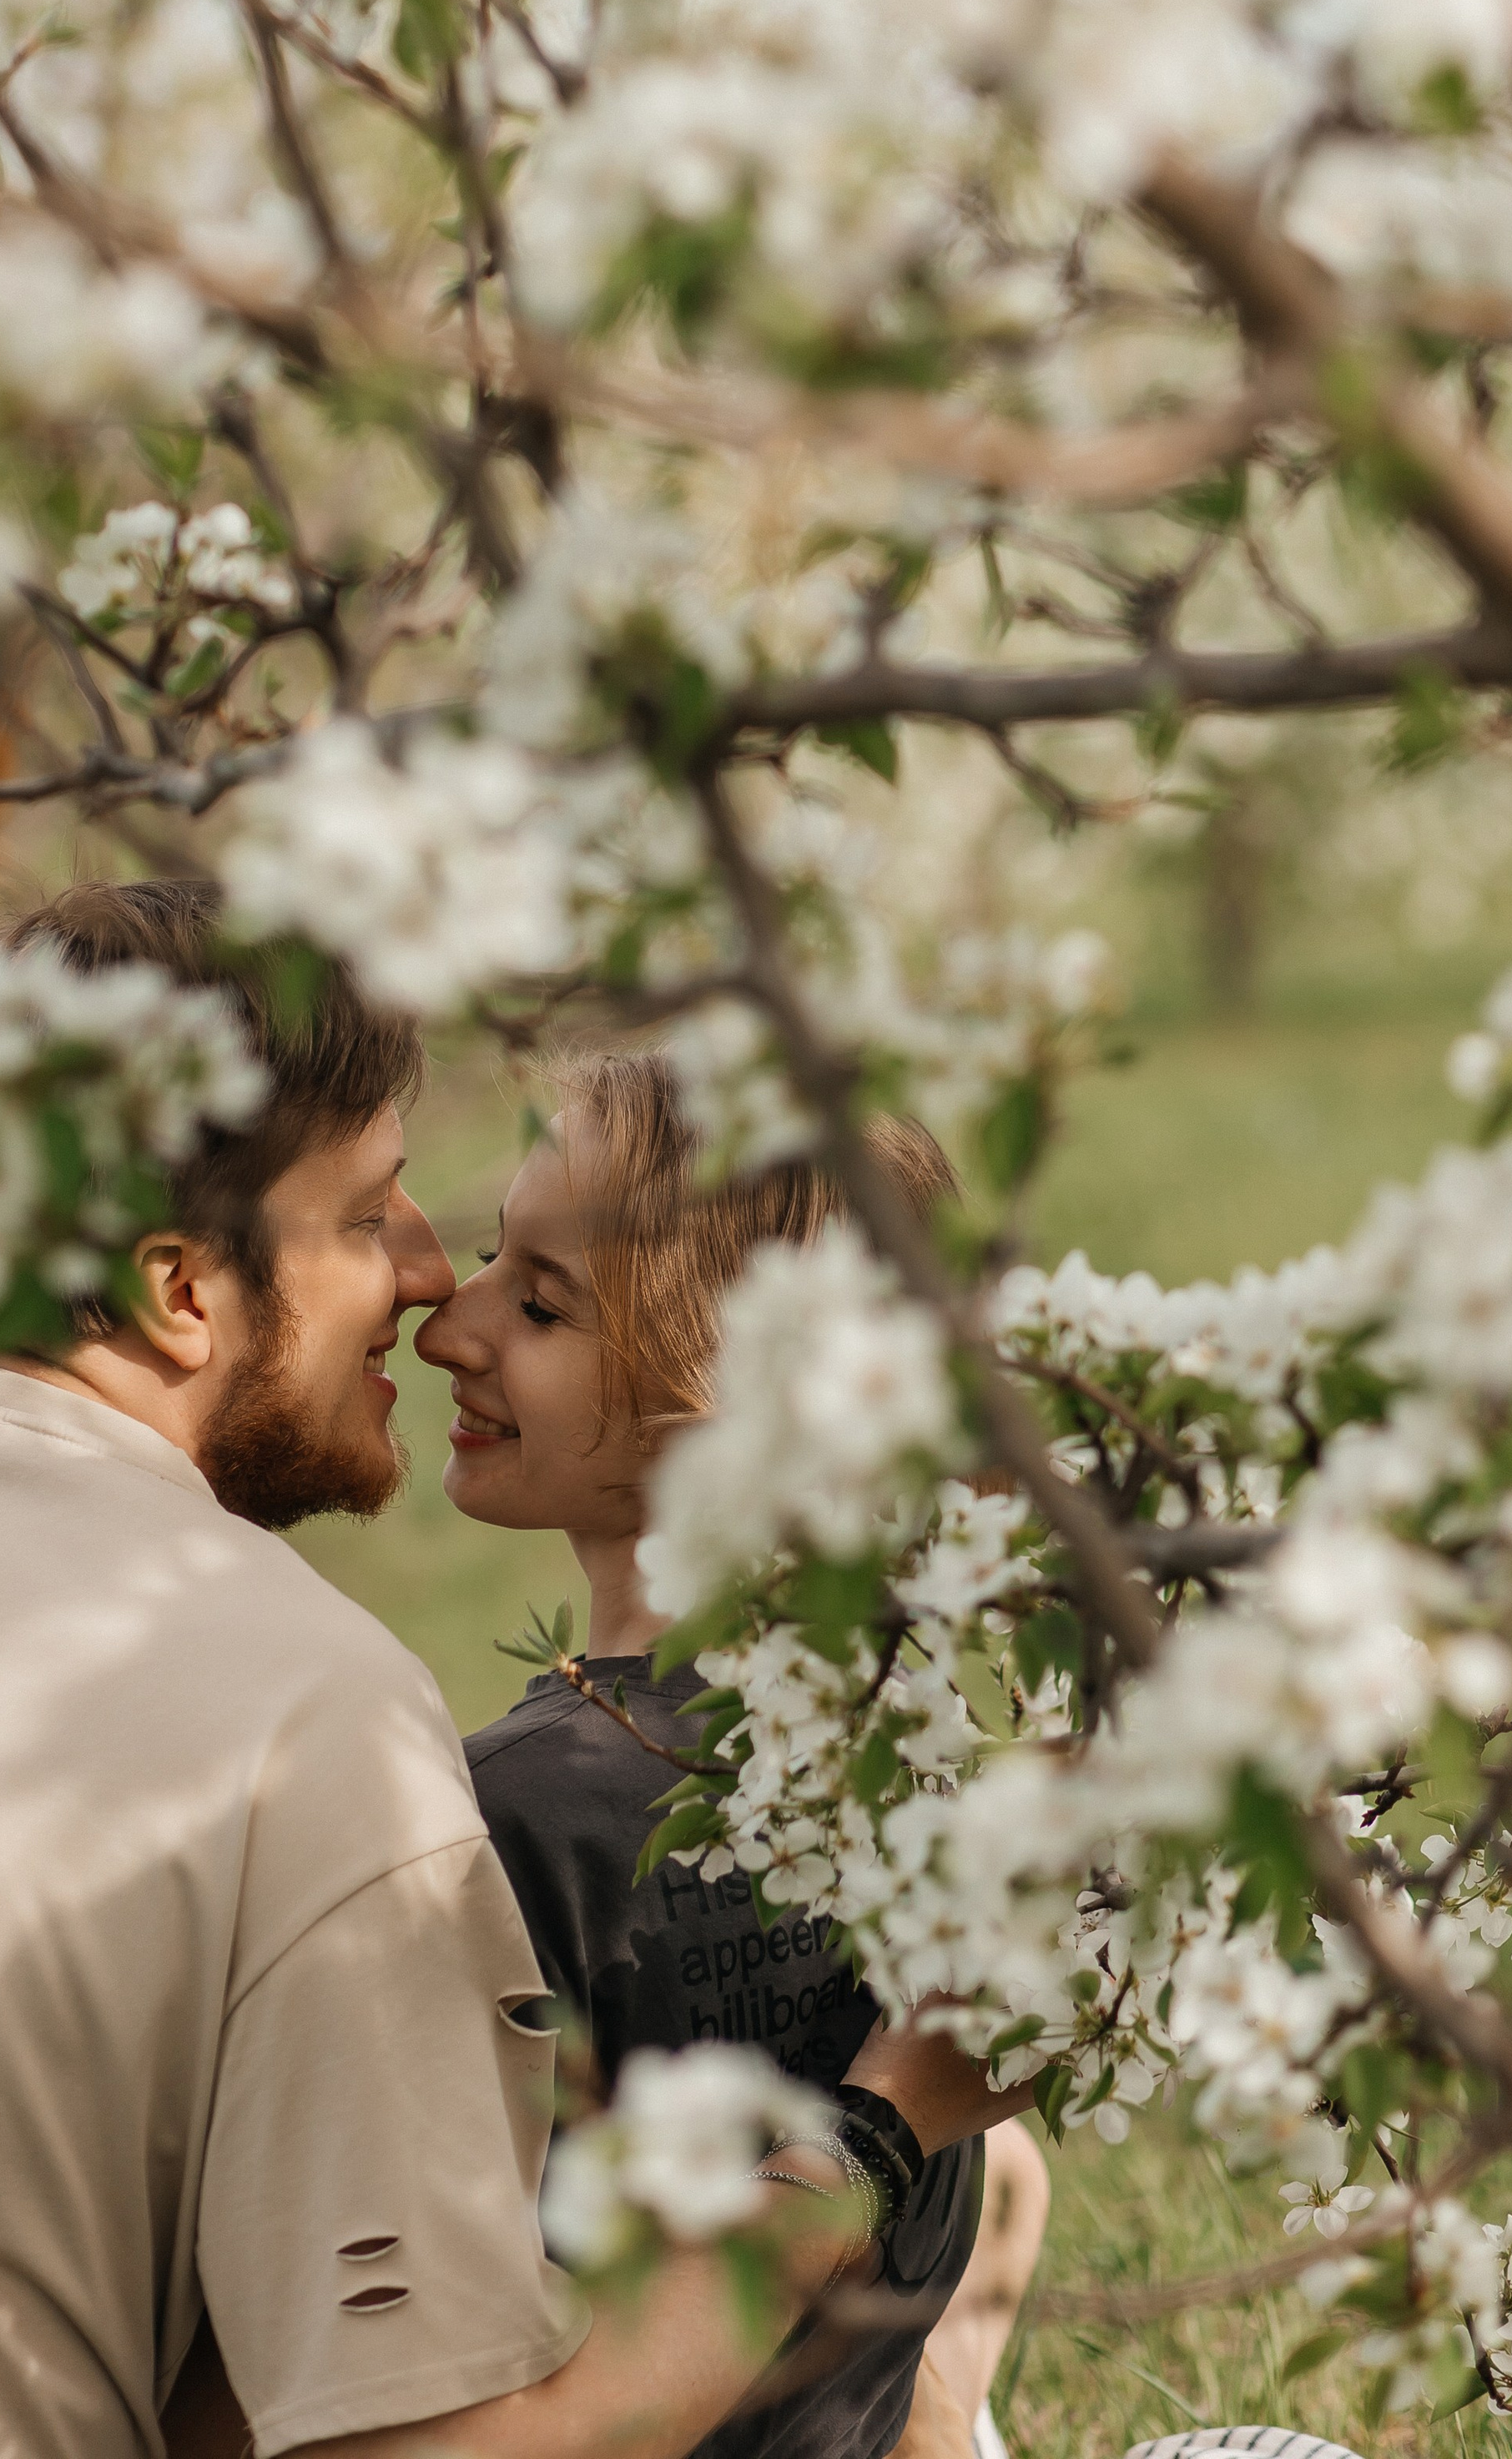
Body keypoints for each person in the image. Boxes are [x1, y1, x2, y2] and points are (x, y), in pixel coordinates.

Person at [0, 879, 995, 2459]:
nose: (426, 1283)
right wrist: (876, 2135)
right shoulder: (306, 1712)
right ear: (180, 1292)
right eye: (367, 1219)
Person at [417, 1049, 1047, 2459]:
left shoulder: (509, 1824)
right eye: (489, 1258)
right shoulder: (909, 1756)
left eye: (540, 1304)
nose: (446, 1327)